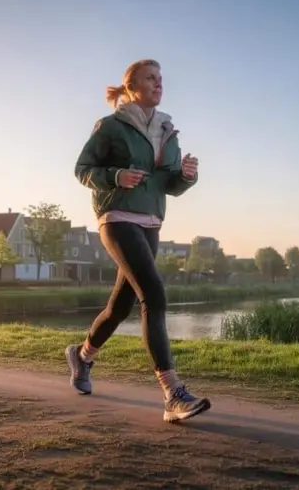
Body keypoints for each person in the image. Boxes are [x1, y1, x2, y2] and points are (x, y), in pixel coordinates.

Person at [66, 59, 211, 423]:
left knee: (120, 305)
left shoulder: (168, 131)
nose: (159, 83)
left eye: (161, 78)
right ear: (131, 88)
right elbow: (83, 170)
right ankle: (173, 393)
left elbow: (169, 185)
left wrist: (187, 176)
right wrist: (116, 176)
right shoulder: (111, 127)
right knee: (154, 294)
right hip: (116, 218)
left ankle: (82, 357)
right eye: (150, 78)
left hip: (150, 222)